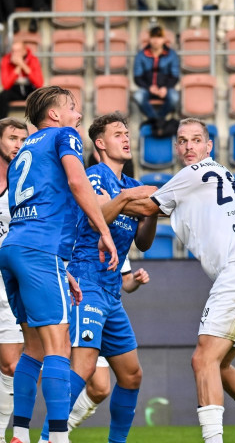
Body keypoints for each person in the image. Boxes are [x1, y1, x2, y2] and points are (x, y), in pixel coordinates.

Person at [121, 118, 235, 443]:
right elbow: (157, 211)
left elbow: (147, 205)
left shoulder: (192, 174)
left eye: (196, 140)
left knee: (202, 359)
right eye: (183, 141)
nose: (189, 146)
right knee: (220, 367)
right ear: (176, 146)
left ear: (208, 146)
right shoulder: (213, 175)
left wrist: (108, 202)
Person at [0, 86, 118, 443]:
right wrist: (104, 230)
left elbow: (37, 203)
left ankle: (19, 432)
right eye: (72, 108)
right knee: (59, 347)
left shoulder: (22, 153)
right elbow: (76, 179)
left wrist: (60, 268)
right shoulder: (64, 136)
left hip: (14, 249)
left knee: (33, 348)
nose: (78, 115)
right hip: (40, 250)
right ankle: (57, 437)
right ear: (54, 115)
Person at [37, 112, 159, 443]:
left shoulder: (132, 186)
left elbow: (144, 243)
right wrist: (132, 202)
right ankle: (49, 437)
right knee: (85, 367)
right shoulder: (94, 176)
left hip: (111, 291)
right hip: (85, 281)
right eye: (118, 133)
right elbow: (97, 220)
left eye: (127, 133)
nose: (126, 138)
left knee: (132, 375)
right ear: (100, 144)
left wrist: (153, 211)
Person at [48, 260, 151, 440]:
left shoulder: (120, 237)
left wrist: (135, 280)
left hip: (108, 301)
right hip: (80, 295)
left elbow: (126, 281)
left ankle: (62, 430)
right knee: (81, 369)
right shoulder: (82, 234)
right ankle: (48, 436)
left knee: (103, 387)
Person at [0, 118, 27, 443]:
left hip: (9, 281)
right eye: (11, 137)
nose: (17, 144)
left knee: (11, 365)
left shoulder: (25, 184)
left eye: (22, 138)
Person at [132, 26, 180, 129]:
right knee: (138, 96)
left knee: (174, 97)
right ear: (149, 39)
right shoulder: (141, 55)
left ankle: (155, 120)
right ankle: (158, 121)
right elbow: (137, 76)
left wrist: (165, 88)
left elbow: (175, 75)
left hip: (165, 88)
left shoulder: (171, 55)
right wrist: (149, 87)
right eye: (153, 37)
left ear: (164, 39)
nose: (156, 40)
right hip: (148, 89)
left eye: (159, 37)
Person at [0, 42, 44, 119]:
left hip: (29, 88)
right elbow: (6, 85)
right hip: (14, 89)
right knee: (3, 96)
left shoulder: (33, 59)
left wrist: (23, 65)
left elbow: (39, 83)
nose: (15, 54)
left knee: (41, 95)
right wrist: (18, 67)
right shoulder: (6, 60)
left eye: (18, 51)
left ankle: (40, 121)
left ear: (24, 51)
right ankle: (2, 124)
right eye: (13, 51)